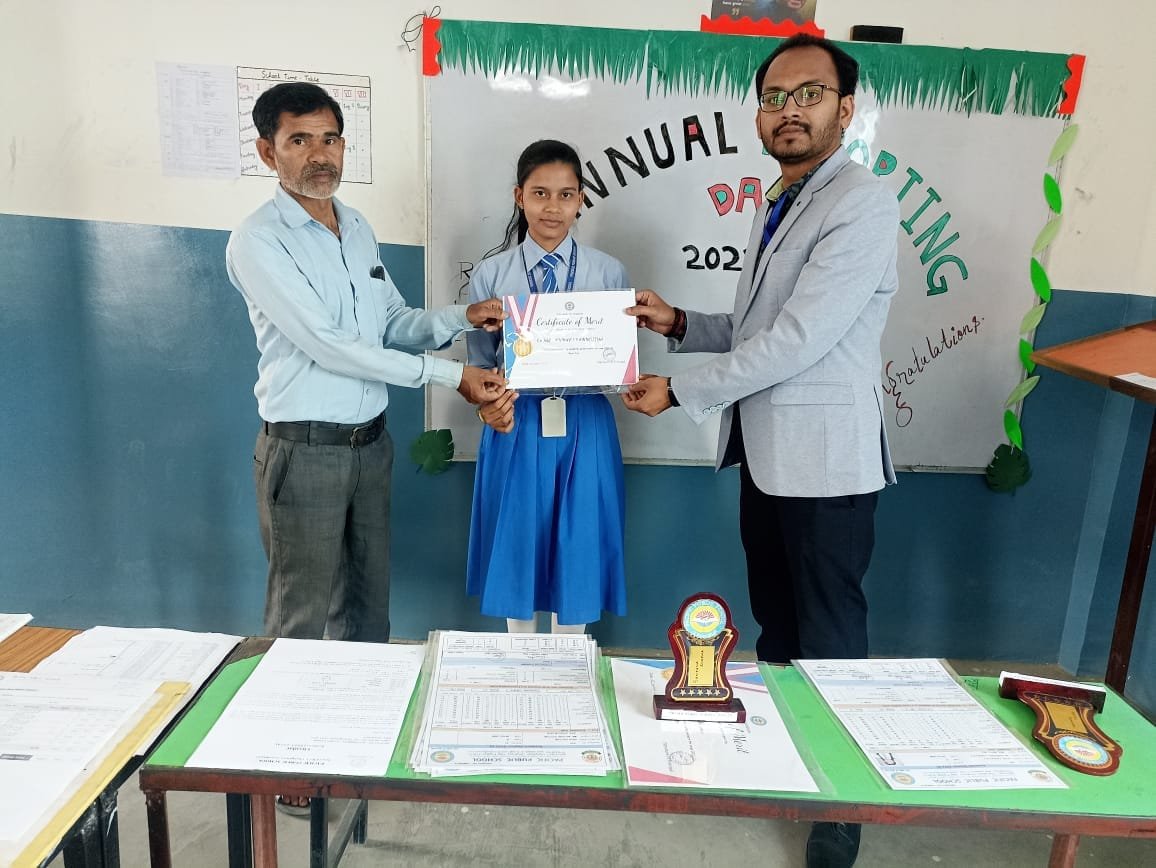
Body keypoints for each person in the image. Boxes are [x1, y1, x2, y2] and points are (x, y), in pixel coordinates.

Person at [623, 34, 898, 868]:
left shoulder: (860, 202)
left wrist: (680, 389)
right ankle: (785, 761)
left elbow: (801, 339)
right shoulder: (782, 197)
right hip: (769, 456)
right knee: (779, 624)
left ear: (845, 110)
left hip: (826, 464)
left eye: (808, 94)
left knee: (829, 638)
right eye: (774, 98)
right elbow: (758, 327)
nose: (788, 111)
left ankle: (841, 809)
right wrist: (679, 323)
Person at [226, 81, 504, 743]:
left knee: (368, 609)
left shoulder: (354, 228)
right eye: (299, 140)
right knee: (300, 618)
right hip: (305, 451)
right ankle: (286, 758)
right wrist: (452, 376)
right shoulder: (258, 241)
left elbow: (392, 323)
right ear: (267, 152)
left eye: (330, 139)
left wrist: (461, 318)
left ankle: (354, 742)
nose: (319, 155)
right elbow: (331, 346)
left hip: (369, 447)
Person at [465, 140, 630, 636]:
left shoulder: (609, 271)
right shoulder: (491, 274)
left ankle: (570, 660)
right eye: (540, 193)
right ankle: (520, 660)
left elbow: (617, 356)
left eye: (565, 194)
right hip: (515, 417)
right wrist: (487, 405)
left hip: (585, 419)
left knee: (580, 542)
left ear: (581, 199)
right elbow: (479, 364)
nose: (552, 207)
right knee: (519, 538)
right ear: (520, 197)